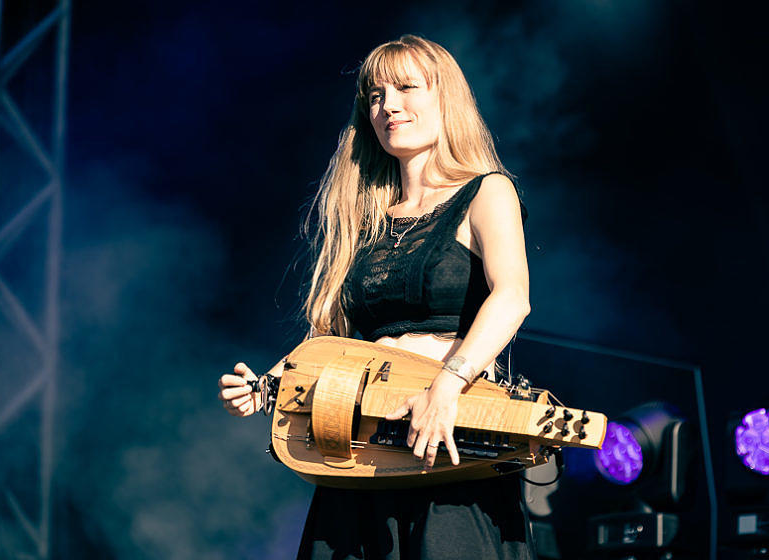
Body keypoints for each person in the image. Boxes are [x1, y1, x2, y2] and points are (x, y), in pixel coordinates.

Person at [219, 34, 533, 559]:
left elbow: (512, 297)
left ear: (446, 99)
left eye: (407, 88)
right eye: (376, 95)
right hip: (361, 448)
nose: (389, 106)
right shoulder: (363, 220)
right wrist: (268, 385)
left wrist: (446, 388)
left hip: (447, 439)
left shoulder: (486, 191)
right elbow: (333, 339)